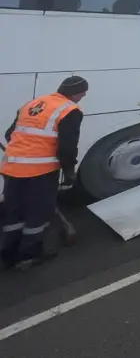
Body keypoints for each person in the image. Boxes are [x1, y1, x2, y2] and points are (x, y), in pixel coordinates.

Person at [1, 76, 88, 270]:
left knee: (14, 212)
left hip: (11, 168)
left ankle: (8, 255)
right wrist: (69, 172)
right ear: (75, 93)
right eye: (83, 92)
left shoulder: (33, 103)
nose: (84, 95)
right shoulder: (70, 110)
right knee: (37, 214)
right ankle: (28, 257)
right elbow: (66, 147)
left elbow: (10, 135)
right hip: (39, 172)